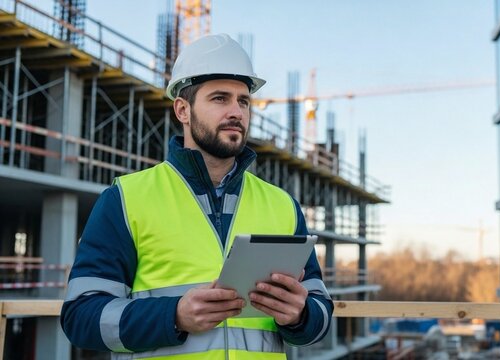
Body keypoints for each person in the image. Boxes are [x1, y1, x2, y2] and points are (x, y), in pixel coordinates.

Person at [61, 34, 333, 359]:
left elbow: (321, 316)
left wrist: (301, 315)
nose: (237, 112)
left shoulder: (283, 206)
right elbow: (80, 318)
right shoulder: (126, 199)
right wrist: (173, 316)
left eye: (243, 101)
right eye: (220, 98)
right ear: (183, 110)